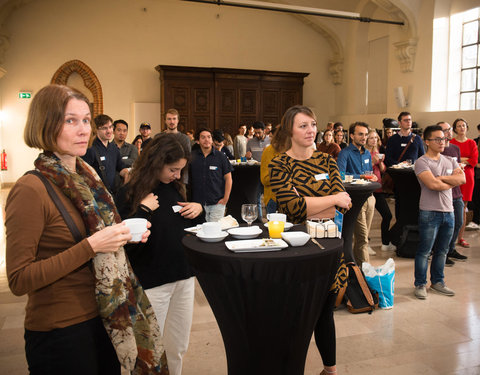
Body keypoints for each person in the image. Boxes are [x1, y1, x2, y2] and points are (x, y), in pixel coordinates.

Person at [5, 84, 166, 374]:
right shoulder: (31, 188)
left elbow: (100, 243)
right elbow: (19, 279)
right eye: (70, 120)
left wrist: (124, 237)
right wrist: (92, 245)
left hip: (106, 318)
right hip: (61, 331)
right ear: (45, 123)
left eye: (86, 120)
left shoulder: (87, 177)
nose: (83, 130)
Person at [270, 105, 351, 375]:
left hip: (329, 248)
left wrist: (311, 201)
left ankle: (330, 370)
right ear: (289, 131)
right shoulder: (279, 163)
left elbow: (344, 203)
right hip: (296, 249)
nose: (310, 130)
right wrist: (330, 200)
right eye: (303, 125)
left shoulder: (328, 161)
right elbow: (292, 208)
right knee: (295, 317)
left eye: (313, 124)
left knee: (325, 315)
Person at [116, 133, 203, 375]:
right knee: (148, 350)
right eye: (173, 169)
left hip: (183, 277)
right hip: (151, 283)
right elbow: (124, 244)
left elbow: (185, 229)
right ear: (156, 163)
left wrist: (199, 209)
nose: (177, 175)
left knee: (177, 346)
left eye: (181, 170)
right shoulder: (130, 193)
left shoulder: (177, 188)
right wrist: (143, 211)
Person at [413, 125, 465, 299]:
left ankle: (438, 282)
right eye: (437, 139)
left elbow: (462, 179)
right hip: (429, 212)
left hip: (448, 211)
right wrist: (452, 181)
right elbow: (432, 185)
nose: (442, 142)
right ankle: (420, 284)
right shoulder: (422, 162)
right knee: (424, 251)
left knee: (442, 251)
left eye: (444, 139)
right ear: (427, 142)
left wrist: (442, 178)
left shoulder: (450, 160)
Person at [337, 122, 377, 264]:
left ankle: (357, 269)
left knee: (363, 238)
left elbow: (368, 173)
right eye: (360, 134)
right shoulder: (345, 153)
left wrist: (372, 177)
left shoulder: (367, 153)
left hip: (369, 197)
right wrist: (360, 176)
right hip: (354, 199)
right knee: (362, 238)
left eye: (366, 134)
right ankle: (366, 273)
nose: (364, 137)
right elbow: (340, 175)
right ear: (352, 135)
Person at [433, 122, 468, 266]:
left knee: (458, 222)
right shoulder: (437, 150)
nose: (448, 132)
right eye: (445, 130)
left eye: (449, 129)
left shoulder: (455, 148)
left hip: (456, 192)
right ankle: (441, 252)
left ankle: (451, 248)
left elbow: (458, 172)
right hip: (443, 192)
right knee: (445, 225)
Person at [190, 128, 233, 222]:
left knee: (215, 232)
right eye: (203, 137)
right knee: (199, 232)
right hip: (198, 204)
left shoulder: (221, 156)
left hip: (217, 203)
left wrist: (226, 198)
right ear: (198, 141)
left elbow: (228, 178)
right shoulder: (192, 157)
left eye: (209, 137)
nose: (206, 140)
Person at [82, 114, 129, 195]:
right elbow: (83, 175)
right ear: (96, 130)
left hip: (113, 194)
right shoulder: (90, 149)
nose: (109, 131)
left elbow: (120, 166)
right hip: (97, 196)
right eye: (104, 128)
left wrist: (126, 174)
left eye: (111, 127)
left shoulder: (114, 148)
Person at [449, 118, 478, 248]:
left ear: (467, 128)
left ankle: (460, 238)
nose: (461, 128)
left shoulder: (472, 143)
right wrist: (463, 160)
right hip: (453, 175)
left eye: (464, 126)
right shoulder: (451, 143)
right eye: (459, 126)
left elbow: (474, 161)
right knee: (449, 206)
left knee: (463, 208)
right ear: (455, 129)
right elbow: (449, 160)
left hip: (467, 177)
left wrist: (460, 160)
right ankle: (448, 237)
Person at [365, 130, 395, 252]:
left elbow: (382, 170)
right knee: (366, 218)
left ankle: (385, 243)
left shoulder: (376, 152)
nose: (374, 140)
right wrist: (373, 162)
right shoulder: (364, 153)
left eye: (375, 138)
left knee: (387, 215)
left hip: (378, 189)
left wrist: (381, 162)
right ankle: (365, 244)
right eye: (371, 138)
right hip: (368, 189)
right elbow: (364, 170)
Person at [260, 125, 288, 214]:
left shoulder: (292, 150)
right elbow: (264, 179)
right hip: (274, 199)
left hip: (292, 198)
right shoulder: (269, 151)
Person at [246, 121, 271, 220]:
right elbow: (247, 158)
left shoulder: (270, 141)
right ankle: (259, 220)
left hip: (268, 172)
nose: (257, 135)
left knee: (268, 198)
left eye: (259, 132)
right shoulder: (250, 141)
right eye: (255, 133)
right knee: (257, 198)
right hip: (256, 172)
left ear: (264, 131)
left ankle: (270, 219)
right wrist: (247, 156)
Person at [113, 119, 138, 191]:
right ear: (113, 131)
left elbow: (134, 162)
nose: (122, 133)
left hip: (129, 186)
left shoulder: (132, 148)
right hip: (112, 186)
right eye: (119, 130)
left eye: (125, 131)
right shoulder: (108, 148)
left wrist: (115, 161)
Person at [466, 123, 480, 230]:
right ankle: (476, 220)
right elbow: (472, 160)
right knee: (474, 198)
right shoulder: (475, 141)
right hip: (476, 174)